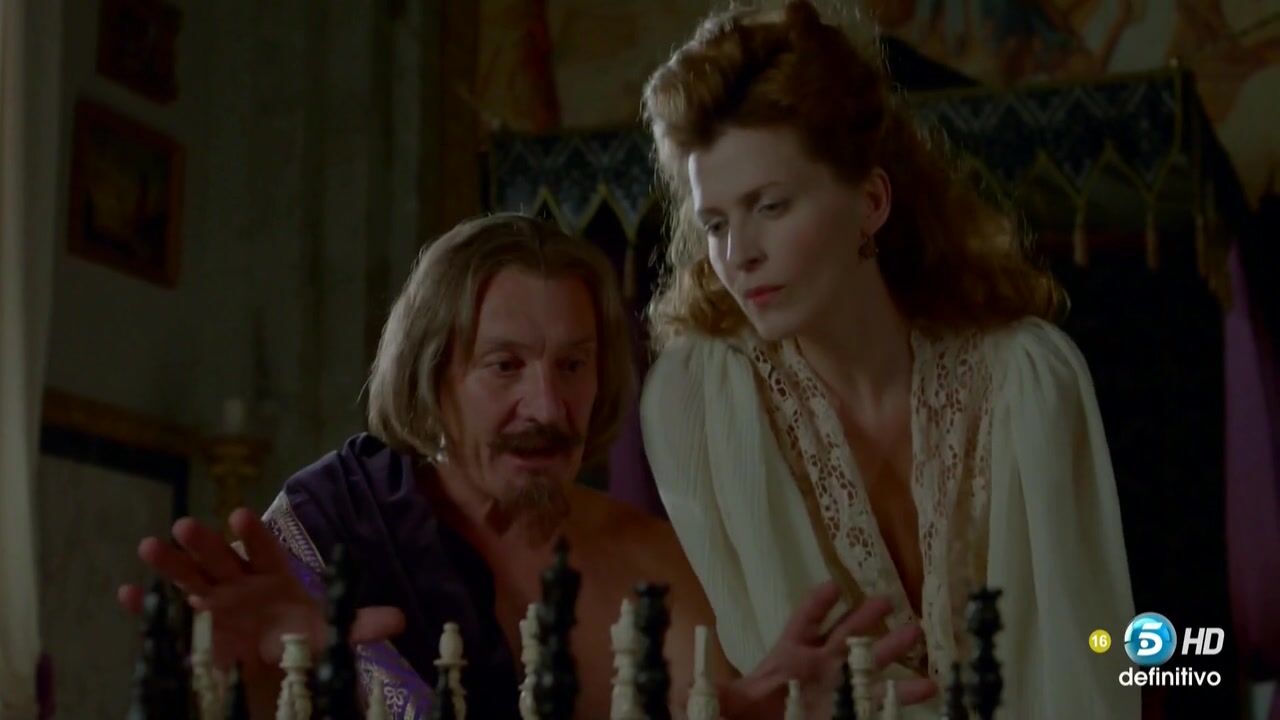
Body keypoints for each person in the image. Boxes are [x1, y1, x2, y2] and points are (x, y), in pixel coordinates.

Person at [116, 214, 927, 719]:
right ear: (432, 378)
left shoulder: (653, 562)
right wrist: (249, 680)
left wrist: (751, 712)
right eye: (504, 366)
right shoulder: (328, 533)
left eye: (572, 365)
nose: (547, 405)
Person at [637, 2, 1138, 718]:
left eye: (771, 207)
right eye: (715, 223)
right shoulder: (702, 401)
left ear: (870, 201)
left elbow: (1086, 664)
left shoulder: (1026, 380)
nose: (739, 254)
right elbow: (753, 670)